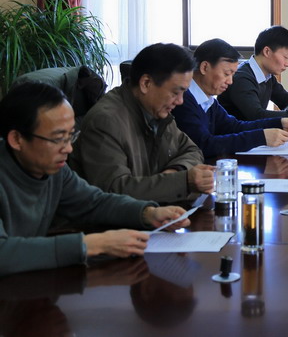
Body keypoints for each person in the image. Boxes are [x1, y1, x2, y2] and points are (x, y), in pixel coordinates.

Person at [0, 82, 190, 277]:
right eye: (57, 139)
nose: (68, 148)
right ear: (17, 139)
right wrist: (92, 244)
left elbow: (94, 203)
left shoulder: (56, 171)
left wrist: (148, 213)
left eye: (70, 136)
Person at [72, 43, 213, 204]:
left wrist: (176, 171)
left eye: (184, 93)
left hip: (156, 212)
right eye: (175, 92)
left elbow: (192, 150)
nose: (180, 101)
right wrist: (182, 181)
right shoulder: (105, 121)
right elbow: (114, 191)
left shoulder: (157, 111)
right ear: (146, 83)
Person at [172, 38, 288, 160]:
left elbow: (234, 126)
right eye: (226, 74)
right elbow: (203, 144)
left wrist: (279, 122)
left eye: (232, 75)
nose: (230, 81)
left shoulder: (209, 101)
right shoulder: (182, 100)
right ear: (204, 67)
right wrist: (261, 137)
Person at [218, 26, 288, 121]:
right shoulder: (242, 78)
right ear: (267, 52)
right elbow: (257, 116)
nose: (287, 64)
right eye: (285, 57)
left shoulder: (267, 77)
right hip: (234, 133)